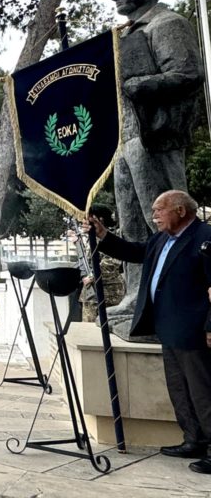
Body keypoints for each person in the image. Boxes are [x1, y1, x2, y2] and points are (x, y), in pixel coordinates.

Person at [89, 190, 211, 474]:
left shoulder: (204, 237)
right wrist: (103, 234)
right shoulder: (161, 239)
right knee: (179, 390)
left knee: (203, 392)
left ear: (180, 211)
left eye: (159, 210)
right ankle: (193, 439)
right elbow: (134, 252)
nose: (153, 216)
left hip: (194, 330)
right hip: (167, 329)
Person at [112, 0, 204, 308]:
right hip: (127, 138)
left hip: (157, 135)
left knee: (165, 217)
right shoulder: (127, 32)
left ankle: (172, 295)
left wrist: (138, 85)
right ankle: (137, 293)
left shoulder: (167, 24)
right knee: (131, 220)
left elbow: (187, 73)